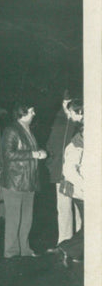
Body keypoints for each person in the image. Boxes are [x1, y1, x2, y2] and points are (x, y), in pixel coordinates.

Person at [1, 103, 47, 259]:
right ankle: (11, 252)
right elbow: (8, 154)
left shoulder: (28, 130)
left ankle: (25, 250)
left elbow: (30, 152)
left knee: (27, 219)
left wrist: (41, 153)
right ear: (23, 113)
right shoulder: (11, 130)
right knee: (14, 219)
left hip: (29, 182)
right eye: (32, 111)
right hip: (15, 182)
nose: (34, 113)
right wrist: (33, 154)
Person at [45, 91, 82, 250]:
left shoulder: (81, 122)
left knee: (80, 210)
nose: (67, 105)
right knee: (63, 209)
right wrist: (51, 164)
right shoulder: (58, 120)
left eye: (70, 101)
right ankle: (64, 244)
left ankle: (80, 246)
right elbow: (50, 146)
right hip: (60, 175)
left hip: (78, 175)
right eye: (65, 101)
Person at [57, 100, 83, 266]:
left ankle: (68, 248)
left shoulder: (78, 130)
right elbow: (69, 168)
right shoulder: (76, 139)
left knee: (89, 225)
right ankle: (67, 248)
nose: (71, 116)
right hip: (81, 189)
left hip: (80, 189)